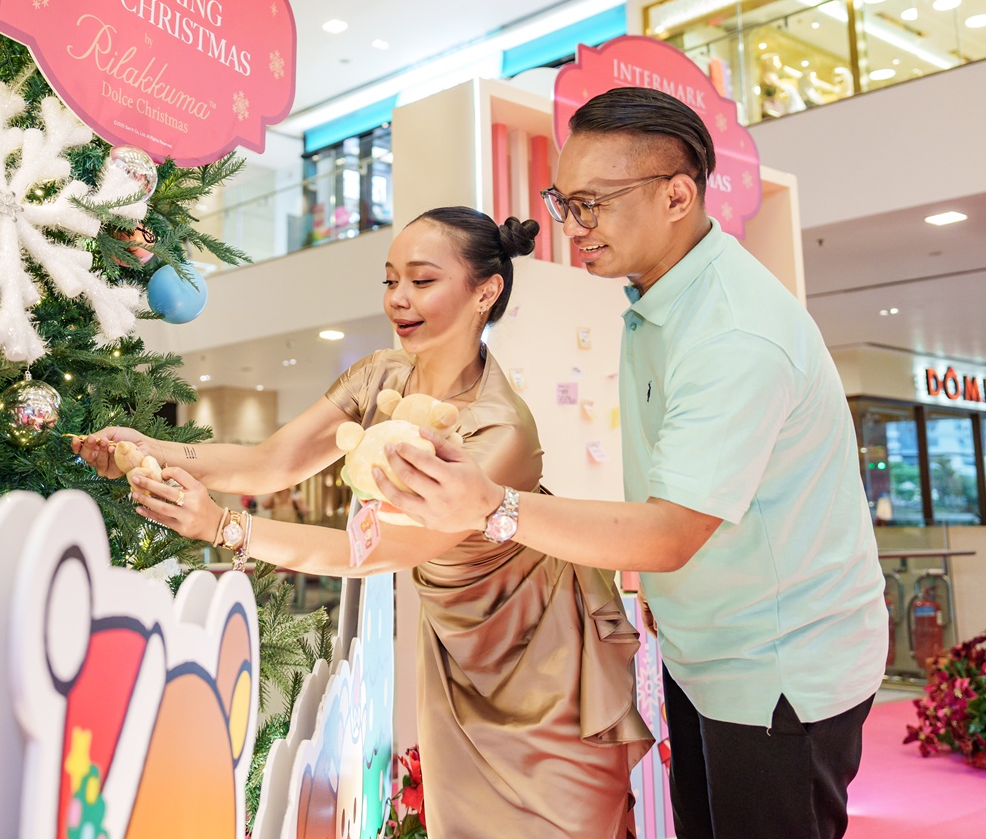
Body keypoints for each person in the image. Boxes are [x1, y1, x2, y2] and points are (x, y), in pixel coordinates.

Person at [375, 87, 886, 839]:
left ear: (678, 195)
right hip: (706, 646)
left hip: (778, 666)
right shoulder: (659, 298)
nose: (573, 227)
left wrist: (493, 506)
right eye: (564, 202)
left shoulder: (733, 333)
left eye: (593, 204)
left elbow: (670, 531)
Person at [73, 207, 651, 838]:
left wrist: (226, 528)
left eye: (421, 281)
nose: (398, 298)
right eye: (390, 280)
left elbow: (378, 550)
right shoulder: (381, 374)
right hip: (456, 654)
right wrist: (153, 450)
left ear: (486, 292)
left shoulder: (499, 429)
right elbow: (272, 463)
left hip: (542, 662)